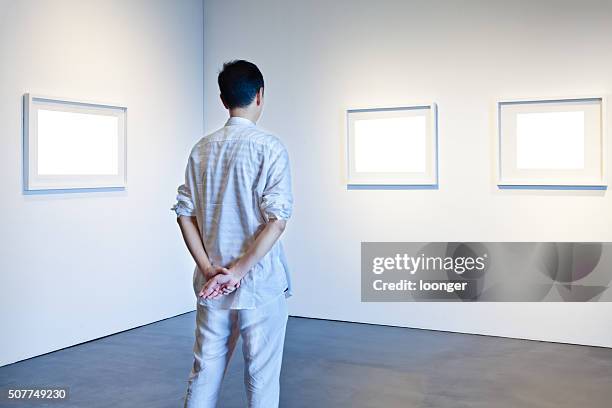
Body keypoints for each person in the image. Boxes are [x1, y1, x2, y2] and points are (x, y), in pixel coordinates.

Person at [171, 60, 293, 408]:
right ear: (260, 95)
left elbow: (184, 215)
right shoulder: (270, 148)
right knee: (261, 378)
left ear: (223, 100)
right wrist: (238, 272)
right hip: (259, 283)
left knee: (204, 372)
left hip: (212, 286)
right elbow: (277, 220)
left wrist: (211, 270)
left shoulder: (202, 149)